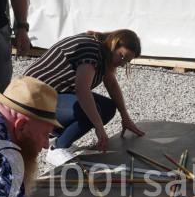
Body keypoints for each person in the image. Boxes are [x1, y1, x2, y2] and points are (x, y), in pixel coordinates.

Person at [26, 29, 146, 167]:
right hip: (32, 97)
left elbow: (111, 84)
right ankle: (57, 148)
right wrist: (99, 127)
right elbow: (82, 91)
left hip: (51, 94)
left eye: (127, 61)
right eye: (122, 57)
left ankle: (58, 137)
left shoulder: (102, 50)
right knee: (88, 110)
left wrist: (125, 116)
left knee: (108, 108)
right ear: (114, 44)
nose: (122, 63)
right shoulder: (92, 50)